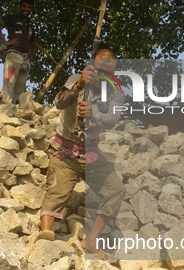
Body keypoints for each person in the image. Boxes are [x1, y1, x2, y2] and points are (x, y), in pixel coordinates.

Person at [37, 49, 125, 259]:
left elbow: (112, 121)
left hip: (91, 155)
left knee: (116, 189)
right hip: (64, 152)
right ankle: (45, 233)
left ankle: (91, 239)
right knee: (56, 190)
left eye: (109, 70)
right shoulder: (77, 79)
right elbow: (59, 103)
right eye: (100, 68)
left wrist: (94, 113)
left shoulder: (117, 92)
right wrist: (79, 86)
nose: (103, 74)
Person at [0, 0, 38, 104]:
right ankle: (5, 110)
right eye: (24, 6)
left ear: (31, 9)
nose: (26, 9)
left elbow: (34, 44)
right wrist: (5, 42)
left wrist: (31, 54)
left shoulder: (30, 26)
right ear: (20, 6)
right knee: (8, 85)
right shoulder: (12, 18)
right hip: (13, 57)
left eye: (29, 7)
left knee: (20, 91)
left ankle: (13, 112)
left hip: (25, 61)